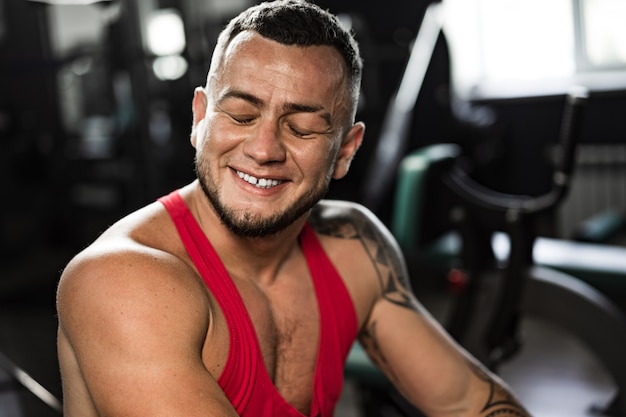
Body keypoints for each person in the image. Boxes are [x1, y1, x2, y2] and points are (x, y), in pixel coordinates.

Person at [56, 1, 531, 416]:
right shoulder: (125, 280)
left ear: (345, 150)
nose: (264, 149)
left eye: (302, 128)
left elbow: (469, 402)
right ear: (200, 119)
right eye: (241, 115)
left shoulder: (353, 248)